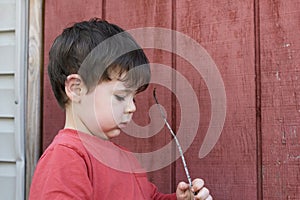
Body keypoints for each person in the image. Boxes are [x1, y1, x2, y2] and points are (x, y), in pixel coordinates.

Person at [29, 18, 212, 200]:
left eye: (134, 98)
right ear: (76, 89)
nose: (132, 108)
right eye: (120, 96)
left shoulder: (126, 160)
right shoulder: (66, 157)